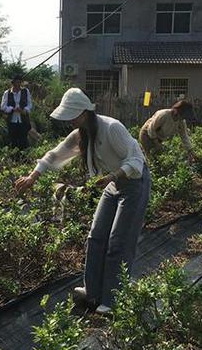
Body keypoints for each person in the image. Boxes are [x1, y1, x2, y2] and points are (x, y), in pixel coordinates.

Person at [15, 88, 150, 315]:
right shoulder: (81, 134)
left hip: (134, 184)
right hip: (113, 184)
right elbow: (54, 155)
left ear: (85, 112)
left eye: (73, 116)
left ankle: (112, 299)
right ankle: (92, 291)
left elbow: (136, 161)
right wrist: (32, 176)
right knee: (96, 235)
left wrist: (113, 176)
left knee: (118, 242)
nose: (69, 122)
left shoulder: (111, 128)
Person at [0, 75, 32, 150]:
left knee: (23, 140)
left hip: (23, 119)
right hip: (12, 120)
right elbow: (3, 107)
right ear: (13, 83)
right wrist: (12, 109)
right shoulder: (7, 93)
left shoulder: (25, 91)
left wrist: (24, 110)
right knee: (13, 141)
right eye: (16, 83)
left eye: (19, 83)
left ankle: (24, 158)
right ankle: (14, 158)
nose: (17, 85)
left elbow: (30, 104)